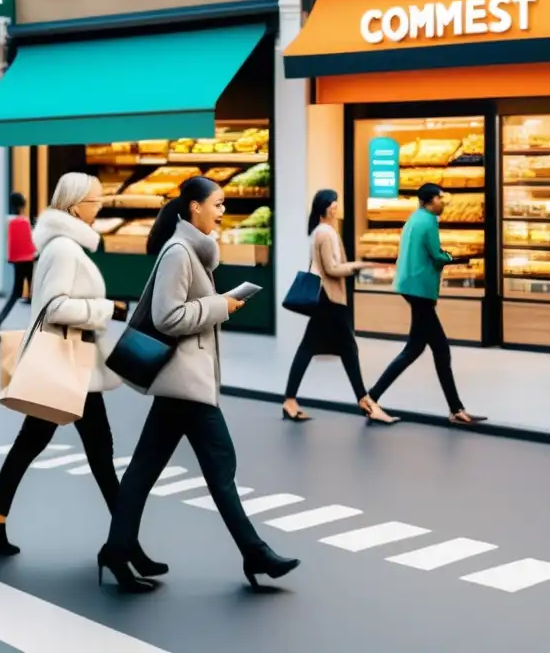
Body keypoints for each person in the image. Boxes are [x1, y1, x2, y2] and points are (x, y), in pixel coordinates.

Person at [99, 176, 299, 593]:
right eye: (218, 204)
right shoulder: (179, 252)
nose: (223, 212)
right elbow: (166, 316)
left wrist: (218, 302)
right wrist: (219, 305)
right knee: (219, 464)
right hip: (185, 380)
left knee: (145, 469)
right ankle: (255, 553)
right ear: (194, 208)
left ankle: (117, 550)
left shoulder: (194, 252)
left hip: (182, 381)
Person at [0, 173, 165, 578]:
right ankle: (125, 544)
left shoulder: (64, 246)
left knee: (41, 444)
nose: (100, 207)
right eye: (96, 201)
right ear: (77, 205)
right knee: (97, 453)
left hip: (73, 363)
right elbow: (54, 307)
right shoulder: (63, 250)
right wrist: (106, 308)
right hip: (69, 363)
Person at [367, 183, 485, 426]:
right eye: (441, 198)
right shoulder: (429, 221)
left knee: (418, 349)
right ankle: (372, 398)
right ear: (430, 201)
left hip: (410, 286)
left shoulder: (414, 218)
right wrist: (455, 258)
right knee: (437, 348)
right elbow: (436, 254)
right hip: (420, 289)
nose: (444, 202)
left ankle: (373, 397)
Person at [282, 190, 397, 424]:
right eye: (332, 204)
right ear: (324, 208)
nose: (336, 208)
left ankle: (291, 400)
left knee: (328, 349)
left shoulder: (323, 232)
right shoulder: (325, 233)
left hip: (329, 300)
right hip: (330, 301)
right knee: (345, 350)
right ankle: (365, 402)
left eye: (336, 204)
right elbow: (332, 269)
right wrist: (357, 266)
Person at [0, 192, 36, 330]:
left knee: (18, 292)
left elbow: (13, 244)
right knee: (36, 292)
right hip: (28, 260)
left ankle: (0, 319)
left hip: (18, 262)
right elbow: (30, 243)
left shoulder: (9, 222)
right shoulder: (24, 222)